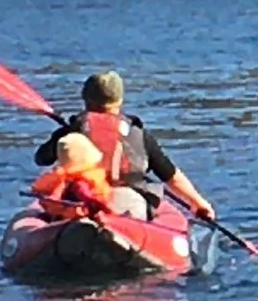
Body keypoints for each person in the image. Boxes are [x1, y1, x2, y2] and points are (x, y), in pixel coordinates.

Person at [35, 70, 216, 222]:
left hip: (81, 203)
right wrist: (198, 202)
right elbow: (171, 176)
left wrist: (63, 133)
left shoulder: (72, 131)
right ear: (119, 101)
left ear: (86, 99)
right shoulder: (138, 135)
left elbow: (41, 158)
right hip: (129, 204)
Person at [28, 132, 116, 220]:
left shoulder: (66, 179)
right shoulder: (80, 183)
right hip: (79, 214)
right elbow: (90, 198)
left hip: (67, 211)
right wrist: (108, 210)